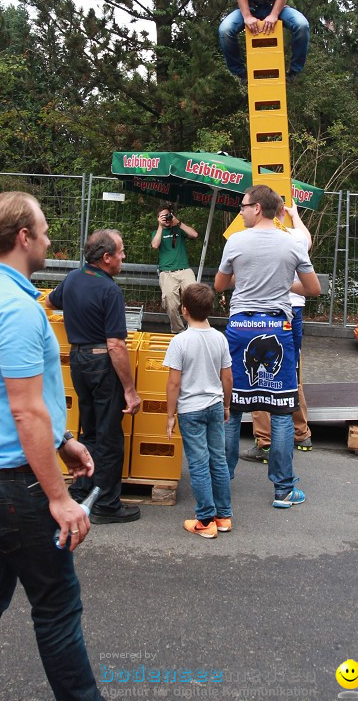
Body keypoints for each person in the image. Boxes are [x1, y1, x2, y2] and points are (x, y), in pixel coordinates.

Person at [0, 191, 105, 701]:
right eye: (45, 230)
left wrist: (64, 439)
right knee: (56, 608)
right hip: (16, 485)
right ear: (24, 238)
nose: (51, 239)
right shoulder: (17, 309)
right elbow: (25, 410)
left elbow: (5, 397)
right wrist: (57, 497)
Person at [214, 185, 321, 508]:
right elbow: (313, 289)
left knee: (232, 410)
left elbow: (220, 284)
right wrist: (281, 281)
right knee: (282, 411)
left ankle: (223, 482)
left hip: (241, 327)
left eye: (244, 206)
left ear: (258, 208)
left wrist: (245, 277)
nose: (241, 211)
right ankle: (283, 490)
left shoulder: (236, 242)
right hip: (278, 328)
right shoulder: (291, 243)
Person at [45, 230, 141, 523]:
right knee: (109, 435)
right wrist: (130, 390)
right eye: (121, 252)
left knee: (89, 429)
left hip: (78, 360)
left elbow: (51, 302)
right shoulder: (110, 291)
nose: (124, 257)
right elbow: (116, 344)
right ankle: (107, 504)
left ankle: (82, 488)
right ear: (106, 257)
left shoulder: (74, 278)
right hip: (101, 363)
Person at [243, 202, 313, 461]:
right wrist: (296, 215)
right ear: (284, 211)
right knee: (291, 371)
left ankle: (265, 441)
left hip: (267, 311)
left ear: (259, 209)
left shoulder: (256, 238)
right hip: (294, 312)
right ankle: (301, 433)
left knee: (258, 372)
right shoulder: (295, 237)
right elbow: (307, 238)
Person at [163, 283, 233, 539]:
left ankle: (205, 519)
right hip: (215, 405)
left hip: (190, 409)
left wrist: (171, 415)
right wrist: (226, 405)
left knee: (199, 463)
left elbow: (174, 383)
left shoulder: (180, 341)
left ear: (184, 310)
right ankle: (223, 515)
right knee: (218, 460)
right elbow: (227, 377)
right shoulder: (220, 338)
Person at [150, 205, 198, 333]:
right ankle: (178, 331)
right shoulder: (157, 232)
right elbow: (155, 245)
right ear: (158, 218)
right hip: (167, 273)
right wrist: (160, 226)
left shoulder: (179, 228)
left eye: (168, 215)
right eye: (162, 216)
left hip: (184, 270)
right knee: (170, 303)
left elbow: (194, 234)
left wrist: (178, 223)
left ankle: (196, 328)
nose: (166, 218)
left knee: (195, 298)